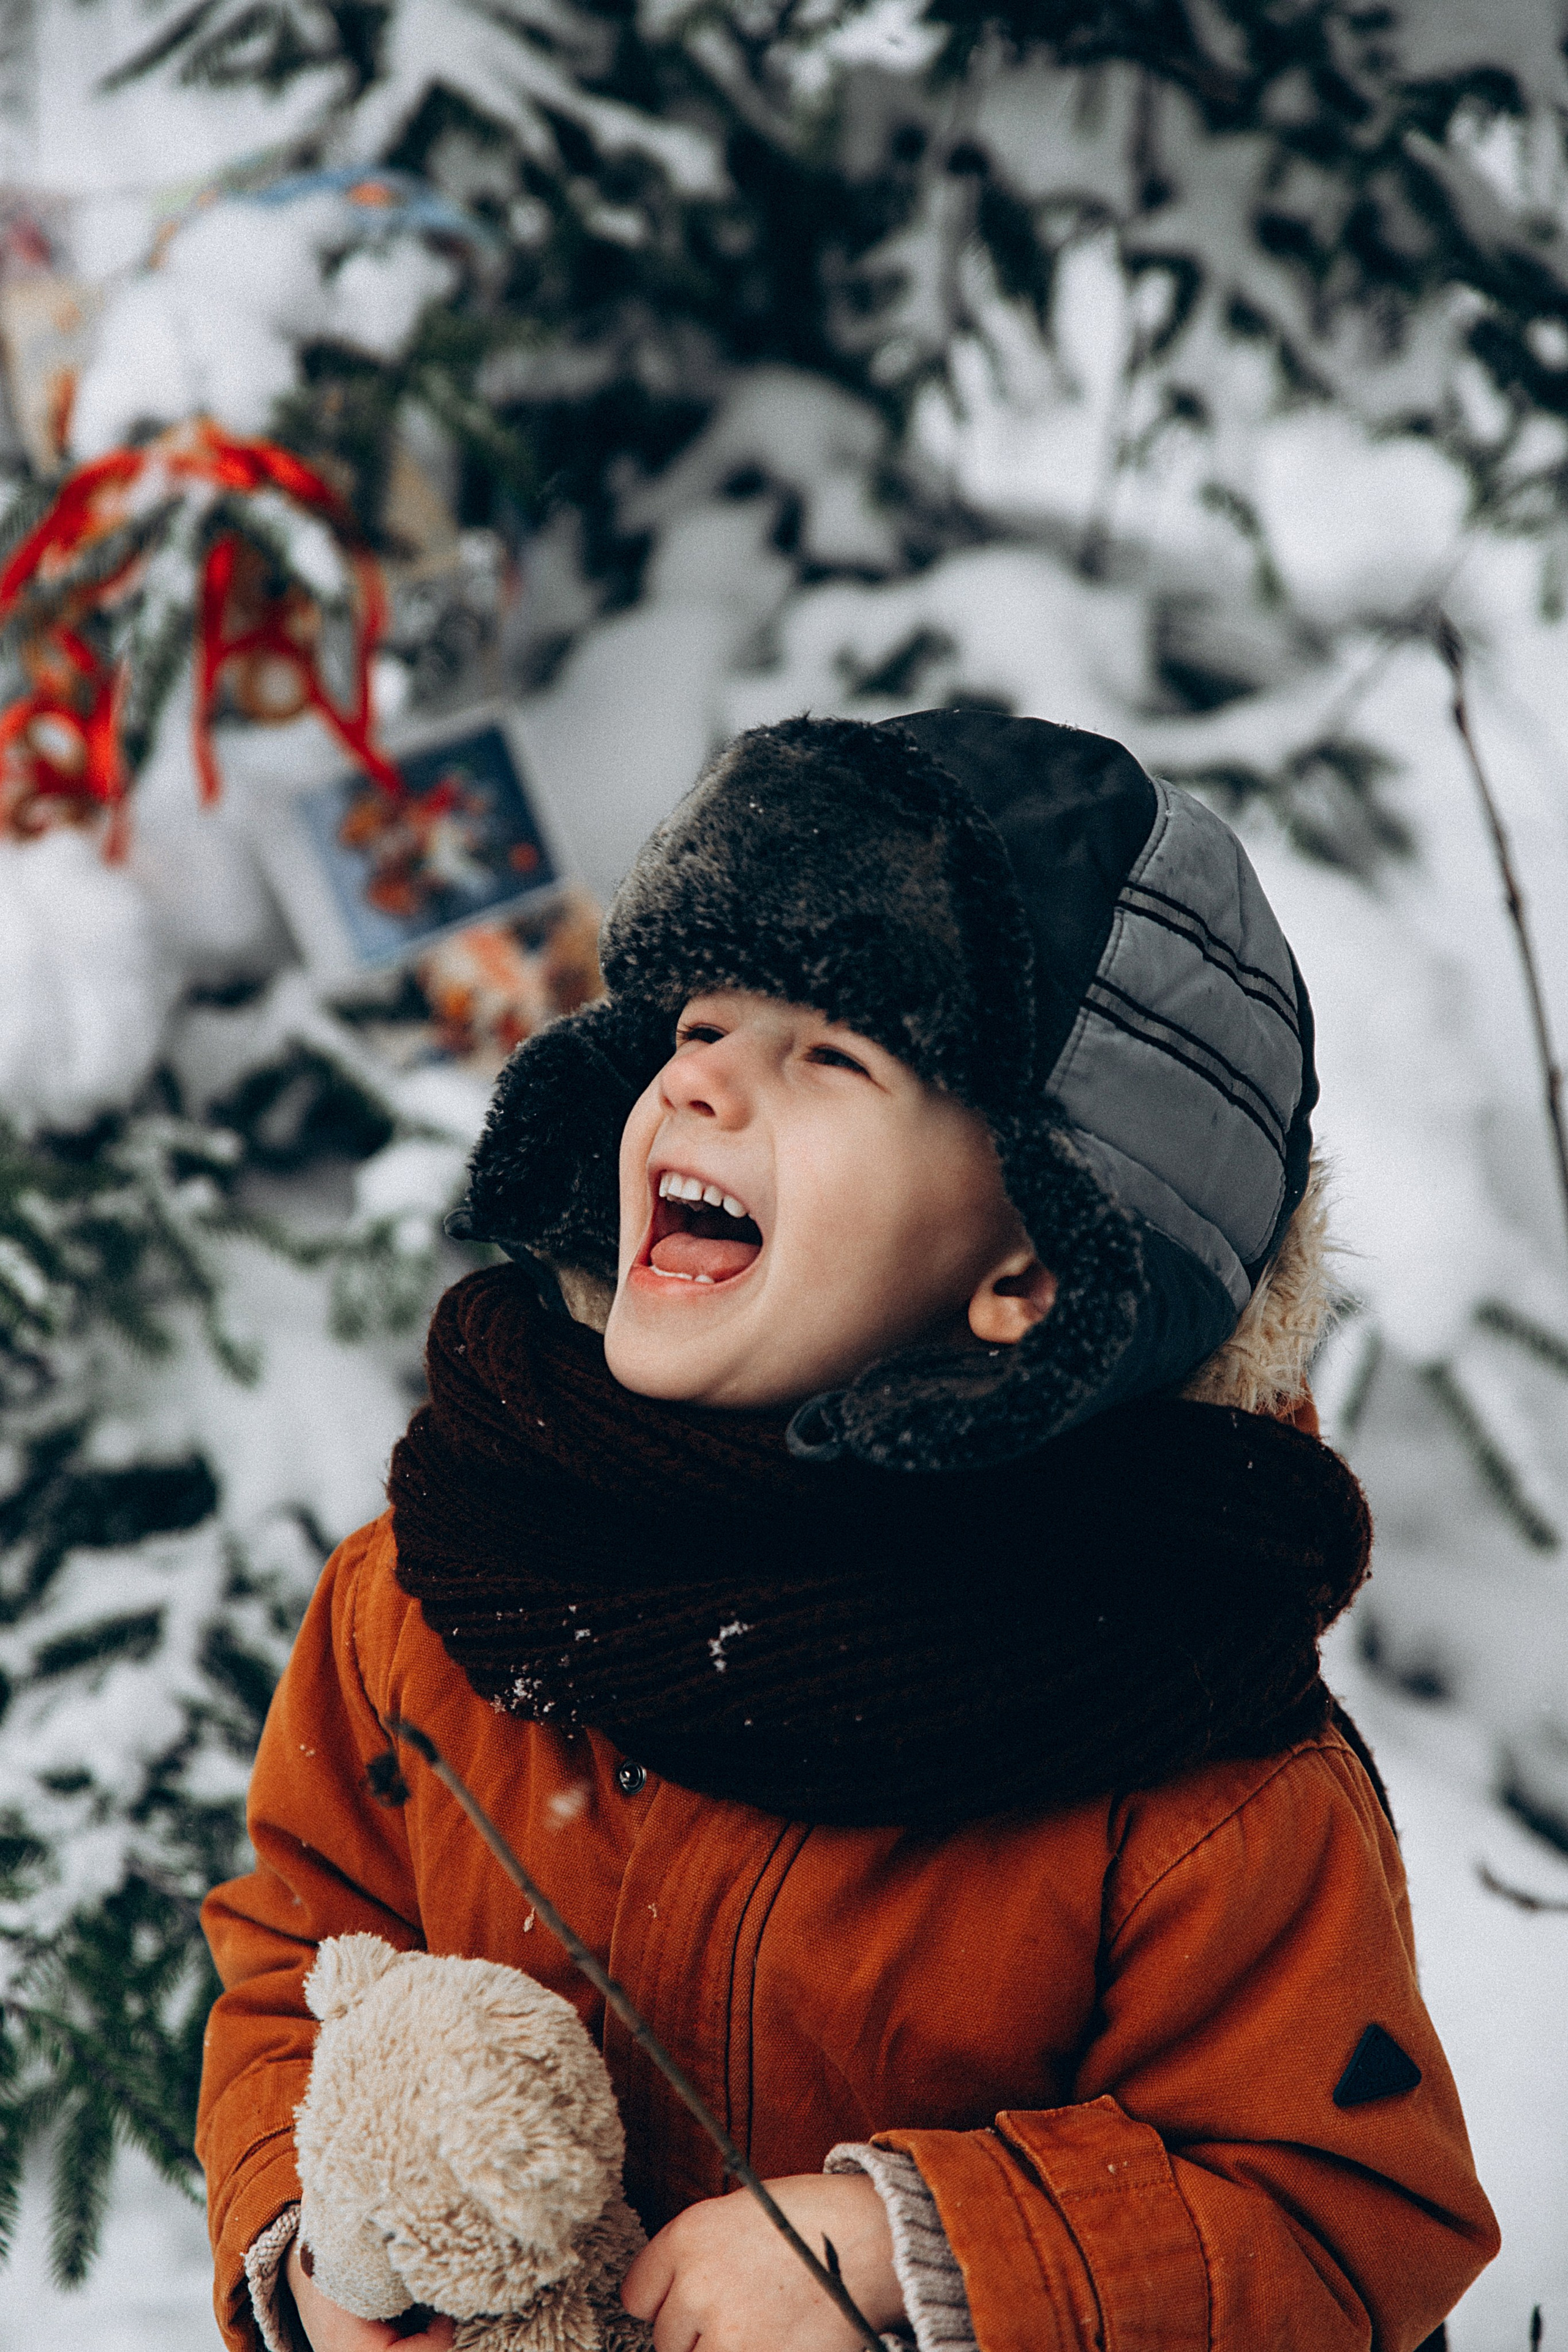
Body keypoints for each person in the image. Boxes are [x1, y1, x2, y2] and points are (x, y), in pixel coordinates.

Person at [198, 710, 1500, 2352]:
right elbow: (297, 1945)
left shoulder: (1181, 1751)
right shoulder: (446, 1584)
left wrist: (915, 2250)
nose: (702, 1078)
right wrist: (320, 2236)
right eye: (703, 1017)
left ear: (1034, 1261)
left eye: (829, 1057)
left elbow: (1341, 2216)